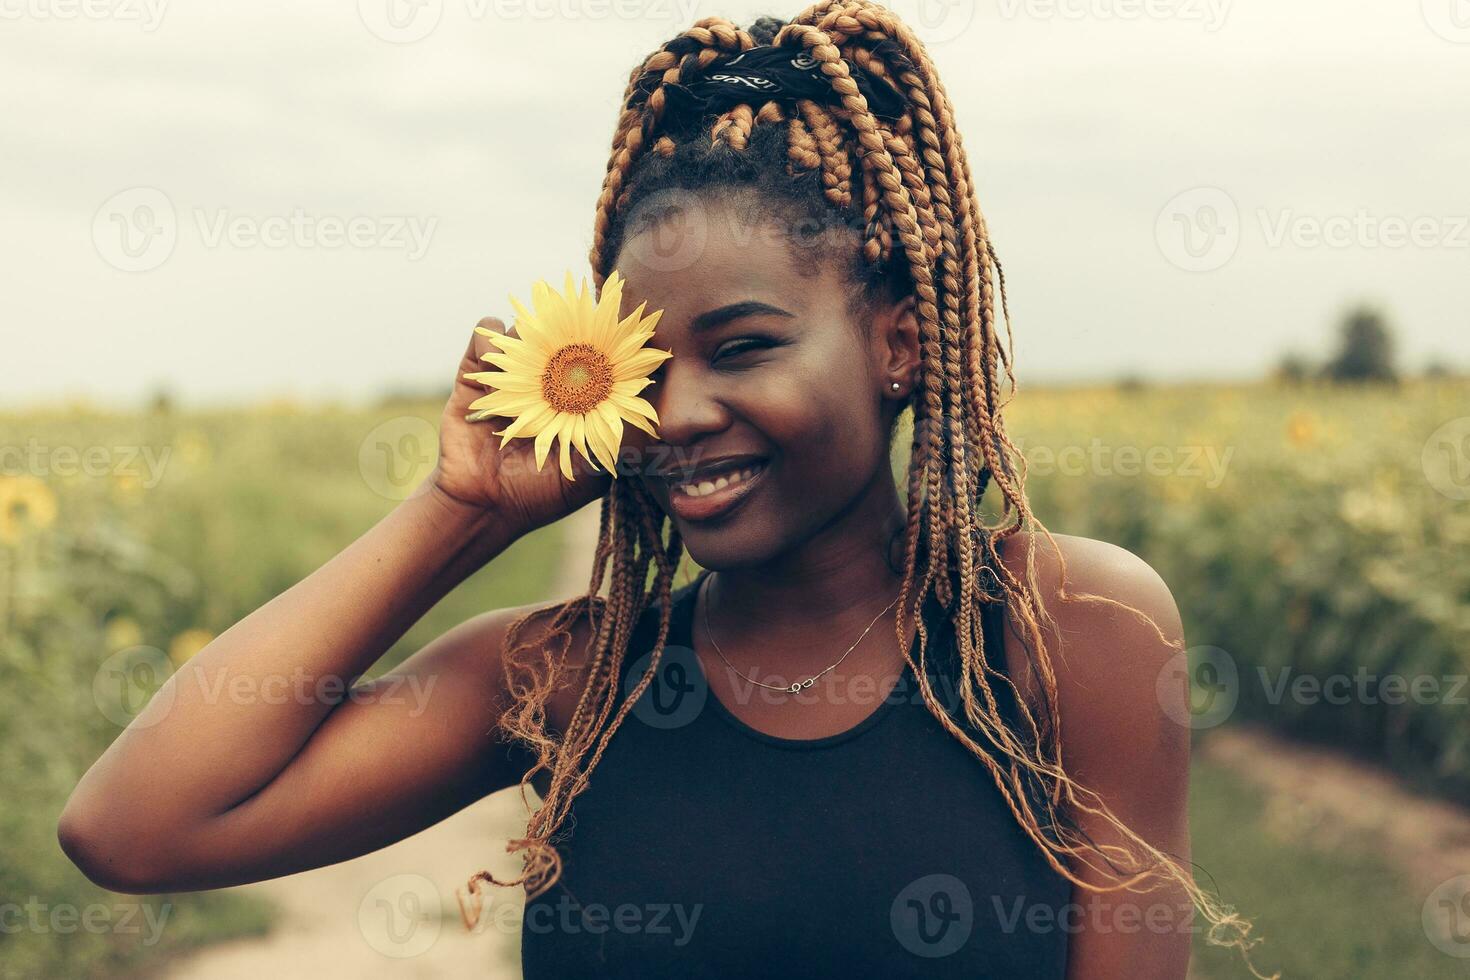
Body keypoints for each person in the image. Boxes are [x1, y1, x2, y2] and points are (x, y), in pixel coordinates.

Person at [60, 4, 1268, 977]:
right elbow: (134, 825)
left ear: (901, 343)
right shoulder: (575, 676)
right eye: (643, 365)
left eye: (742, 346)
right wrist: (462, 512)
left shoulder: (1068, 629)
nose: (676, 411)